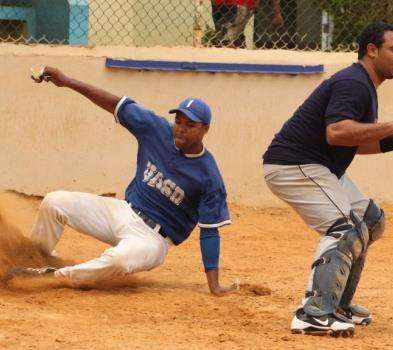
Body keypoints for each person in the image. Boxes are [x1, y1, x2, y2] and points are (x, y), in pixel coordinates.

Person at [262, 22, 393, 336]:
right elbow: (336, 133)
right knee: (344, 227)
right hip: (294, 164)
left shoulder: (365, 85)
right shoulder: (354, 83)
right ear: (371, 50)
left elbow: (355, 141)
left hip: (316, 166)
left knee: (370, 219)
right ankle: (313, 312)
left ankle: (337, 304)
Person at [19, 67, 236, 297]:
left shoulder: (208, 175)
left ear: (205, 129)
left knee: (120, 260)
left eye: (190, 125)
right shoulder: (157, 130)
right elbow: (114, 104)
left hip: (153, 239)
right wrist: (68, 81)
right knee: (54, 202)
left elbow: (210, 231)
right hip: (123, 211)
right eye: (178, 120)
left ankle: (54, 277)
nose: (180, 128)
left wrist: (214, 285)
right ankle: (32, 263)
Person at [211, 0, 283, 48]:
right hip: (240, 4)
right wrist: (277, 13)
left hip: (233, 4)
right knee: (227, 39)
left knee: (226, 38)